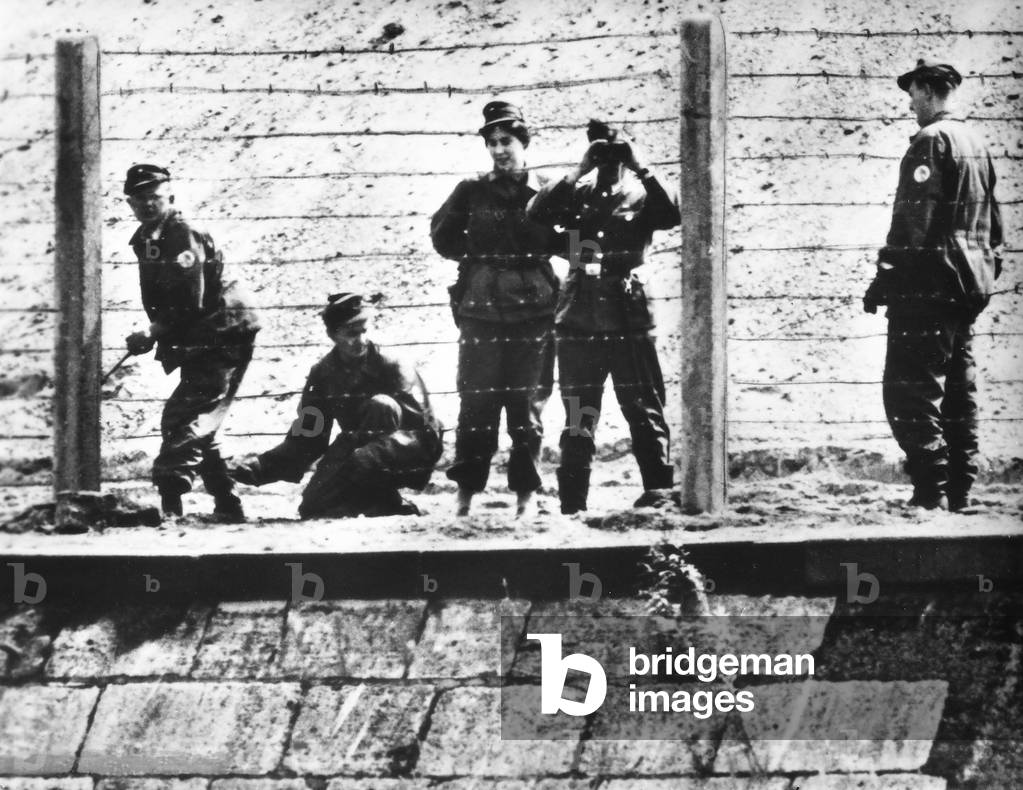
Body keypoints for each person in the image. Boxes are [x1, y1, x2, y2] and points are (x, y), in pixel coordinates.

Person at [863, 58, 1004, 511]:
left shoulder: (930, 140)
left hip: (929, 286)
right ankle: (960, 490)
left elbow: (912, 222)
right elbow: (995, 226)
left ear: (927, 90)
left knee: (909, 388)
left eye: (912, 92)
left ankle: (931, 490)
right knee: (959, 392)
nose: (909, 103)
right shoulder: (975, 142)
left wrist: (885, 278)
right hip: (969, 286)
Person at [527, 120, 681, 514]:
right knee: (580, 416)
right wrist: (579, 168)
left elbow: (672, 216)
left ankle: (658, 497)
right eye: (602, 152)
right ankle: (572, 506)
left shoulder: (641, 195)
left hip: (629, 317)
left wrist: (642, 165)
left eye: (616, 152)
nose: (610, 161)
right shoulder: (576, 195)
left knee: (644, 409)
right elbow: (536, 213)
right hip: (580, 320)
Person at [430, 100, 563, 518]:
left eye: (507, 141)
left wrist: (546, 258)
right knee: (477, 403)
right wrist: (479, 261)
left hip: (535, 311)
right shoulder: (472, 190)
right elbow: (442, 236)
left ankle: (525, 498)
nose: (500, 150)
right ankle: (466, 496)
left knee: (526, 405)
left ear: (524, 142)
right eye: (492, 143)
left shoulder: (547, 189)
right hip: (482, 309)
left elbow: (573, 239)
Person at [123, 164, 260, 520]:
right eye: (140, 199)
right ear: (130, 203)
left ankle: (171, 501)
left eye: (154, 197)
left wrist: (152, 332)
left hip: (223, 333)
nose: (148, 205)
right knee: (203, 415)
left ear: (170, 196)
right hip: (201, 337)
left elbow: (188, 300)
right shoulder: (149, 238)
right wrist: (155, 333)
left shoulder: (183, 234)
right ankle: (228, 501)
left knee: (186, 414)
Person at [228, 293, 443, 518]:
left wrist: (373, 456)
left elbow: (425, 432)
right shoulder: (323, 373)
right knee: (314, 507)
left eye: (364, 331)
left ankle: (384, 495)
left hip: (403, 452)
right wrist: (261, 467)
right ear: (333, 335)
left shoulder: (393, 364)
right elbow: (309, 435)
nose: (360, 340)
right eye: (351, 333)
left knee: (382, 405)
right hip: (355, 450)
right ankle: (381, 503)